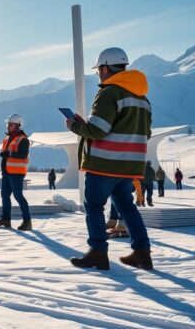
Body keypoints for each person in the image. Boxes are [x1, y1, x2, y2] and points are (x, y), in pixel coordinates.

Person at [66, 47, 153, 270]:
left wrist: (75, 126)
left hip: (105, 163)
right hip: (130, 166)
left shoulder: (109, 92)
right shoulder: (142, 99)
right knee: (126, 206)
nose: (98, 75)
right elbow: (146, 133)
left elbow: (97, 130)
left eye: (98, 71)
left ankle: (98, 253)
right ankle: (142, 252)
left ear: (105, 68)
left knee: (94, 206)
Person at [0, 114, 32, 231]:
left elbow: (23, 154)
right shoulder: (8, 138)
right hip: (7, 172)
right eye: (8, 124)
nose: (8, 126)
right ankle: (6, 219)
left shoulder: (23, 139)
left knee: (18, 196)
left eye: (11, 124)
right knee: (4, 195)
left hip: (17, 172)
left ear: (18, 125)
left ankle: (27, 221)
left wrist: (9, 154)